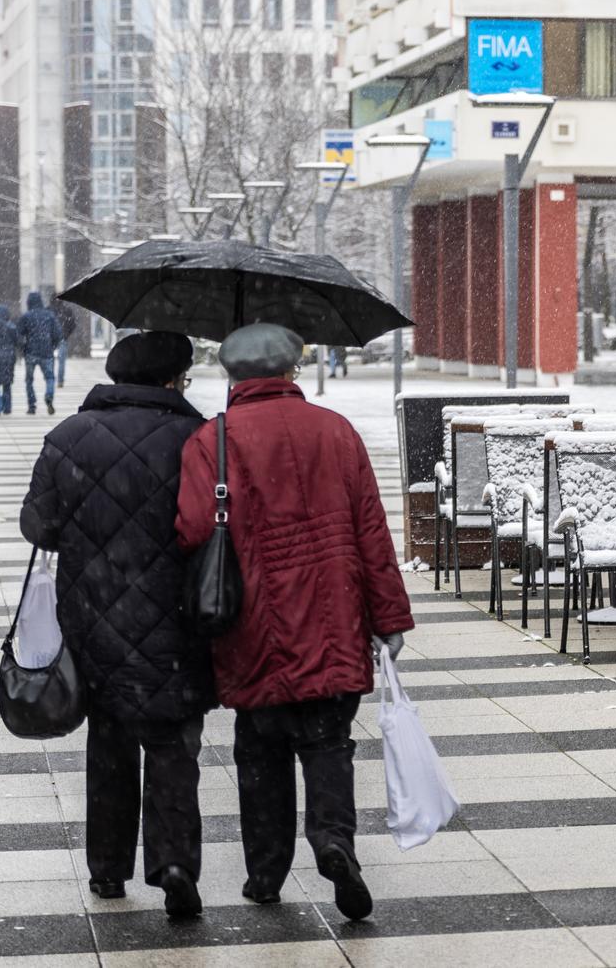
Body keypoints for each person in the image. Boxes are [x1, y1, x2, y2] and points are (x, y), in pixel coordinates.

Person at [176, 323, 412, 920]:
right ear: (291, 371)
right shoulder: (336, 431)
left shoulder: (212, 441)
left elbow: (193, 528)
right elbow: (371, 532)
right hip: (334, 621)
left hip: (253, 626)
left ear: (231, 375)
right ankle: (334, 843)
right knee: (329, 745)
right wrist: (389, 617)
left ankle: (265, 873)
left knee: (261, 752)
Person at [20, 332, 212, 919]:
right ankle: (174, 864)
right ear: (172, 378)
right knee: (173, 746)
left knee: (109, 743)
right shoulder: (198, 438)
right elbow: (211, 524)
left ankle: (108, 869)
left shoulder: (69, 436)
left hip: (93, 617)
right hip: (177, 620)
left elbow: (38, 527)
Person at [19, 292, 64, 416]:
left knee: (29, 380)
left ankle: (31, 405)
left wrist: (23, 348)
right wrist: (52, 346)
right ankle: (49, 395)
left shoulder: (26, 316)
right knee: (50, 377)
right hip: (46, 352)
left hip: (31, 352)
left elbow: (19, 334)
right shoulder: (49, 315)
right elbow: (58, 334)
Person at [52, 300, 76, 388]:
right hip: (62, 337)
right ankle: (60, 381)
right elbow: (73, 324)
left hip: (51, 338)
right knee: (61, 361)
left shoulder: (50, 310)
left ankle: (50, 379)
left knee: (50, 360)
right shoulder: (67, 310)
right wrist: (67, 334)